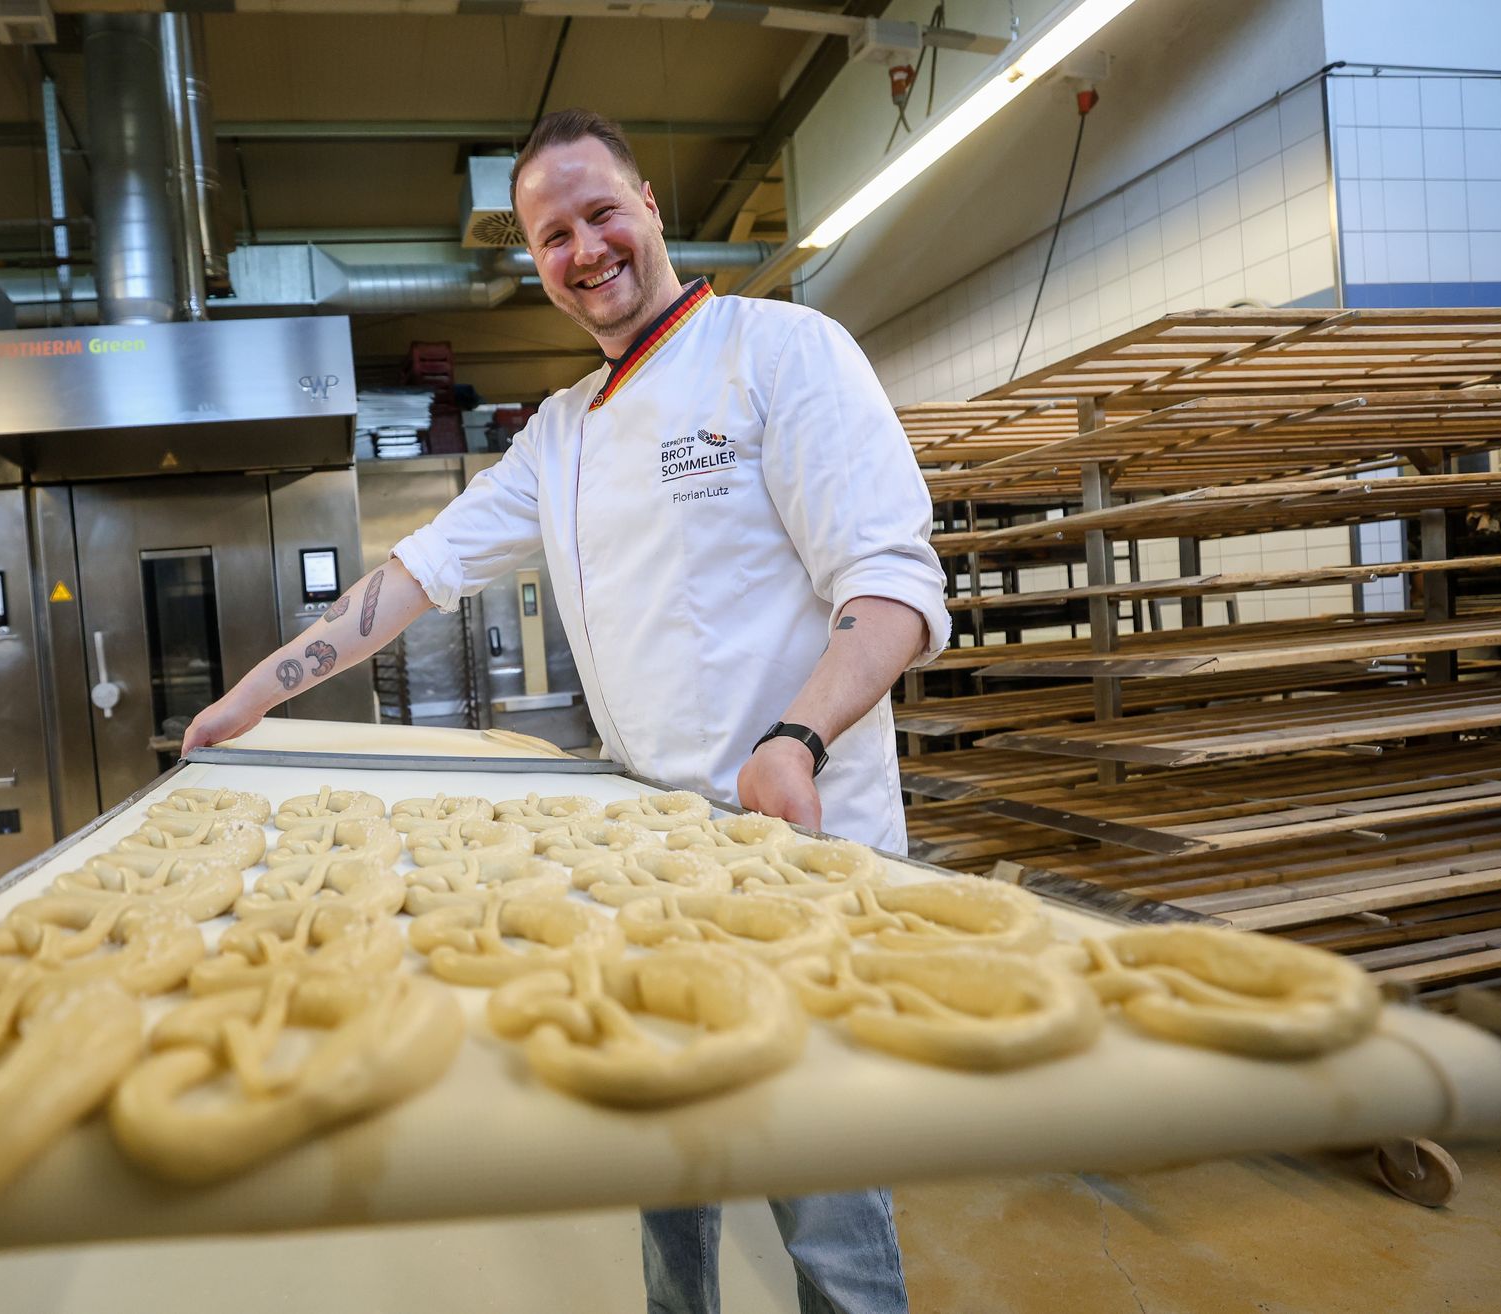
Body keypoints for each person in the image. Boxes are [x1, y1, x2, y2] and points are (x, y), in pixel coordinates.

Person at [182, 107, 948, 1314]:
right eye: (552, 235)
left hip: (801, 861)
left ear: (649, 205)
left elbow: (892, 585)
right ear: (533, 263)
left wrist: (792, 744)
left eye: (600, 214)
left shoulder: (780, 350)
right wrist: (249, 696)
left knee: (829, 1228)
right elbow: (409, 581)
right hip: (643, 872)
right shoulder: (556, 434)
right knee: (664, 1176)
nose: (584, 249)